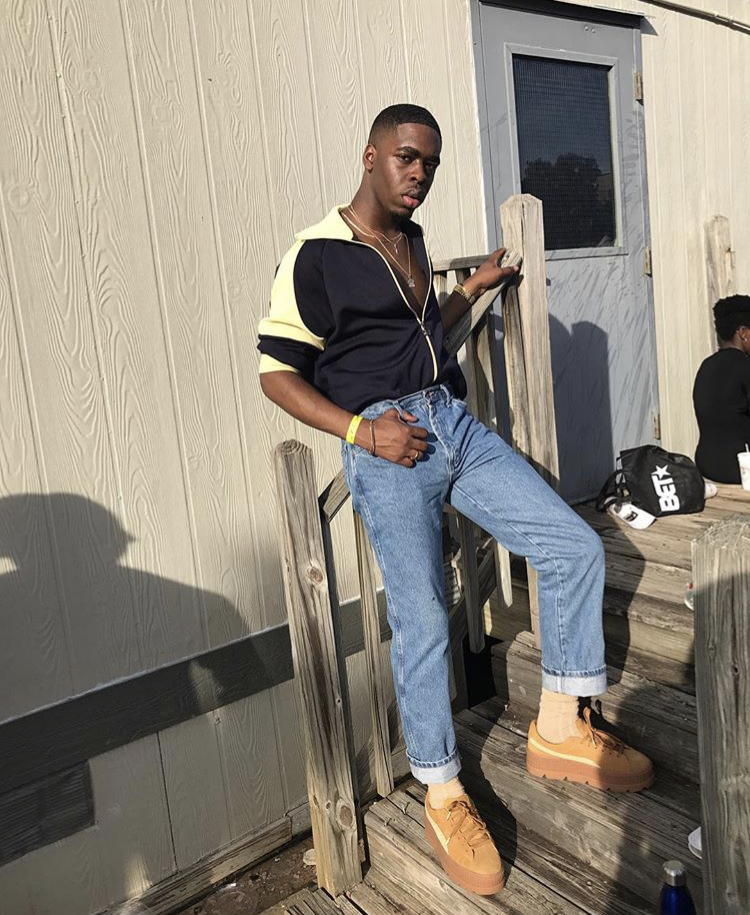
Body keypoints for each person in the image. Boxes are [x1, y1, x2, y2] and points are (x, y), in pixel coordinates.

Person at [258, 104, 653, 896]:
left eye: (430, 164)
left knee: (571, 544)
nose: (419, 174)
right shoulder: (316, 254)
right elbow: (276, 373)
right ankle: (441, 790)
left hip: (451, 423)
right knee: (424, 619)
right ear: (370, 156)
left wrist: (469, 288)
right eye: (406, 157)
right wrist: (361, 433)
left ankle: (559, 725)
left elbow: (417, 333)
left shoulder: (411, 238)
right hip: (387, 444)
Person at [693, 294, 750, 484]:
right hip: (740, 469)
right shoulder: (745, 367)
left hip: (707, 465)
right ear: (743, 333)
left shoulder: (706, 366)